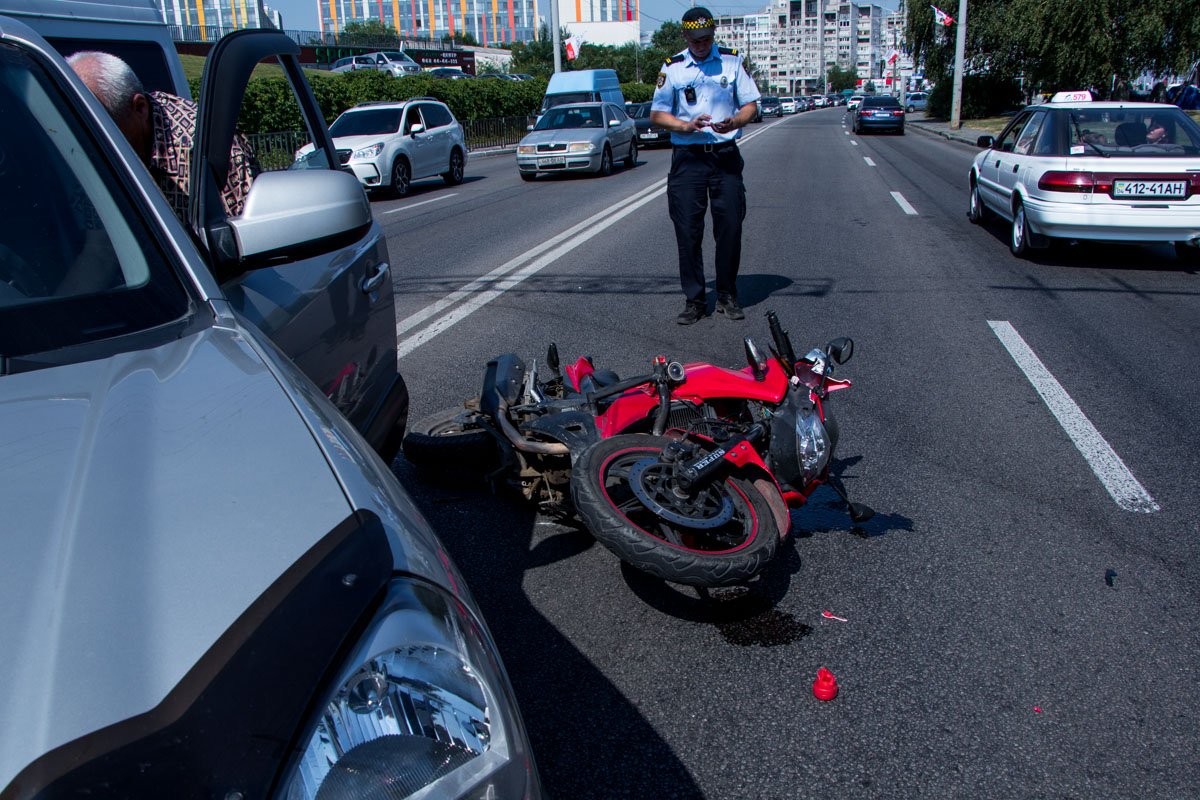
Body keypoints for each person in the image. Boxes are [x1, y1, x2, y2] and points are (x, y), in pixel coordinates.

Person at [651, 7, 761, 324]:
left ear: (714, 35)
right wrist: (685, 126)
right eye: (696, 39)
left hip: (724, 154)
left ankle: (727, 295)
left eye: (707, 39)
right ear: (685, 36)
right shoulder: (672, 68)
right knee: (687, 231)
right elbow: (658, 114)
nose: (702, 44)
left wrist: (735, 121)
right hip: (688, 159)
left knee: (730, 227)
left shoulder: (731, 60)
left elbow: (751, 105)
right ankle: (695, 300)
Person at [66, 51, 256, 224]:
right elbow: (99, 244)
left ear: (140, 108)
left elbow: (246, 235)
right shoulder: (83, 150)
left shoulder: (205, 146)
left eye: (103, 126)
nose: (87, 141)